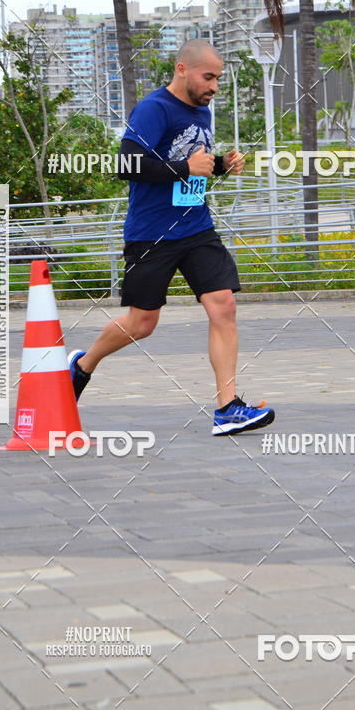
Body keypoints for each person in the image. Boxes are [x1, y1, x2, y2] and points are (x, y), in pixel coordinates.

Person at [68, 39, 275, 436]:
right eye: (208, 77)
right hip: (152, 234)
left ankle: (227, 408)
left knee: (223, 304)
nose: (214, 86)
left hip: (196, 227)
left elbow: (193, 165)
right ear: (183, 69)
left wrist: (220, 165)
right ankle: (82, 365)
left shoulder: (202, 110)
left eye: (218, 79)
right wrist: (185, 166)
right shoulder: (154, 109)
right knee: (142, 322)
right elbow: (127, 165)